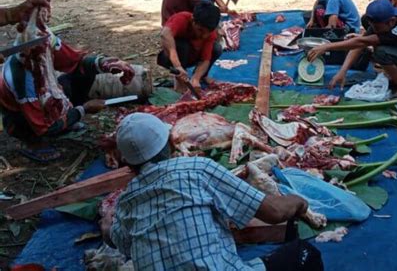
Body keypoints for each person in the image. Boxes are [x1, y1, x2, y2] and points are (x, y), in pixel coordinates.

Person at [100, 112, 324, 271]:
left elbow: (114, 238)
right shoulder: (197, 167)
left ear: (127, 162)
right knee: (306, 255)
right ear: (170, 142)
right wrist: (299, 203)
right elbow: (274, 213)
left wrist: (107, 225)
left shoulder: (125, 202)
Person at [0, 33, 135, 162]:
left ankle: (65, 120)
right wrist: (83, 110)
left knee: (84, 74)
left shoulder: (45, 44)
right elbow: (44, 126)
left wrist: (105, 63)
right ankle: (32, 143)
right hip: (20, 116)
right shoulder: (22, 80)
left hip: (44, 95)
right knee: (39, 127)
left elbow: (76, 62)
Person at [307, 0, 397, 98]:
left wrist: (327, 47)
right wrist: (343, 71)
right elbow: (360, 43)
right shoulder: (385, 20)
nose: (374, 30)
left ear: (391, 21)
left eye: (376, 28)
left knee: (381, 52)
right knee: (377, 47)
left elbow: (362, 42)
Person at [158, 1, 222, 93]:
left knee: (216, 48)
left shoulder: (210, 34)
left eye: (207, 32)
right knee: (183, 45)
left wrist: (196, 78)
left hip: (193, 56)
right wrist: (177, 66)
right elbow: (165, 34)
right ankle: (180, 83)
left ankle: (200, 77)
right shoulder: (181, 18)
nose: (204, 36)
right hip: (172, 57)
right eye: (200, 30)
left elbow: (205, 60)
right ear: (193, 20)